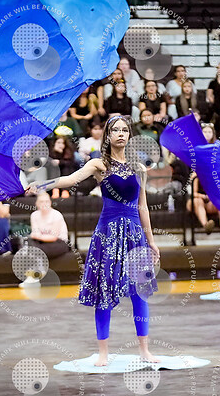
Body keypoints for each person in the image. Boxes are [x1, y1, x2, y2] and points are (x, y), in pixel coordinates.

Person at [27, 115, 160, 366]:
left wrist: (151, 241)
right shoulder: (99, 164)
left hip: (134, 234)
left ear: (129, 135)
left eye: (124, 130)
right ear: (108, 135)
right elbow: (70, 180)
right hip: (108, 233)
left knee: (139, 292)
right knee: (104, 291)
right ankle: (103, 353)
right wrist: (43, 184)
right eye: (115, 130)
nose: (120, 134)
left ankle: (144, 350)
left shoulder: (139, 168)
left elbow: (143, 207)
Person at [186, 123, 220, 234]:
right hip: (198, 201)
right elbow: (193, 193)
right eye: (205, 132)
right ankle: (206, 225)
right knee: (197, 201)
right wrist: (204, 196)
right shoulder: (196, 174)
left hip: (212, 202)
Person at [28, 192, 70, 259]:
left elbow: (53, 237)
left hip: (58, 243)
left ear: (50, 203)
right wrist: (37, 236)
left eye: (46, 201)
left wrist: (39, 236)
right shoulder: (34, 215)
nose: (44, 204)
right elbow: (35, 233)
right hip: (41, 242)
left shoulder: (56, 214)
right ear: (37, 203)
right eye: (41, 202)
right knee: (30, 243)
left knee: (37, 250)